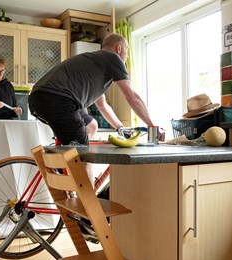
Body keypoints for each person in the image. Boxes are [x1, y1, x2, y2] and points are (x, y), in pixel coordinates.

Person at [29, 33, 163, 181]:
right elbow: (132, 96)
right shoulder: (113, 58)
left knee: (91, 125)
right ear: (119, 49)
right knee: (83, 157)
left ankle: (71, 175)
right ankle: (87, 202)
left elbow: (102, 105)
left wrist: (120, 128)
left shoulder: (95, 65)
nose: (126, 57)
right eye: (126, 51)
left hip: (41, 98)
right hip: (57, 99)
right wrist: (152, 126)